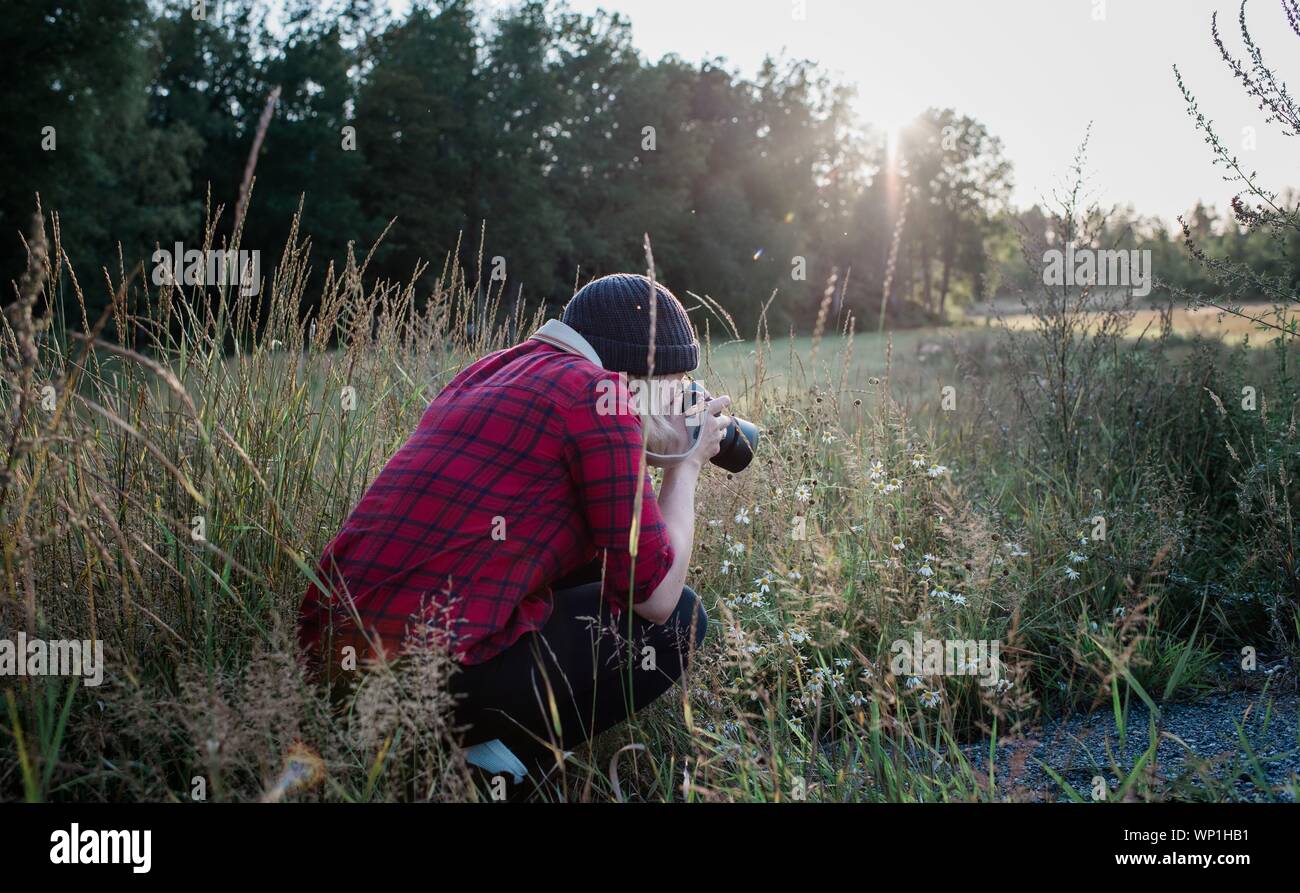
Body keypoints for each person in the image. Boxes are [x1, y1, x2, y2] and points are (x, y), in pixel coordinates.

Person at [297, 272, 730, 795]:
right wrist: (686, 463)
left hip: (328, 665)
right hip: (421, 676)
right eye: (675, 383)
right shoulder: (603, 394)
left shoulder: (489, 371)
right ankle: (502, 764)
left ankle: (475, 749)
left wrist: (646, 440)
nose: (679, 398)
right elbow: (657, 597)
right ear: (643, 373)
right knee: (680, 621)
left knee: (594, 565)